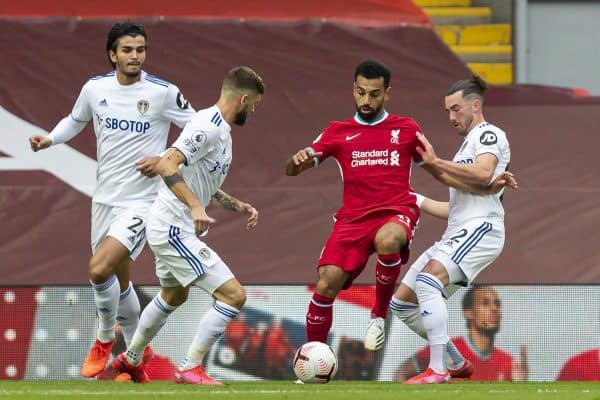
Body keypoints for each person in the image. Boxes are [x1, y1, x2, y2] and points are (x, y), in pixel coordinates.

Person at [28, 21, 196, 378]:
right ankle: (137, 349)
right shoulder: (95, 89)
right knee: (118, 283)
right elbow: (76, 120)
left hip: (142, 202)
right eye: (127, 50)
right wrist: (50, 140)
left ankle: (105, 338)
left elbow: (199, 131)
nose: (135, 56)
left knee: (98, 269)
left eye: (140, 50)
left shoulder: (162, 93)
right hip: (103, 199)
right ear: (112, 54)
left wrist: (166, 157)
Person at [110, 66, 264, 384]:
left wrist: (238, 206)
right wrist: (194, 206)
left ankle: (131, 358)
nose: (254, 110)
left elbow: (200, 182)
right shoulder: (207, 125)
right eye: (255, 104)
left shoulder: (221, 130)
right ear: (244, 98)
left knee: (174, 294)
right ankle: (190, 366)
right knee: (233, 296)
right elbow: (168, 163)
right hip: (172, 228)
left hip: (169, 225)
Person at [285, 59, 429, 351]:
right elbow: (293, 167)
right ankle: (314, 360)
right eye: (361, 92)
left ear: (387, 93)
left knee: (390, 239)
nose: (366, 100)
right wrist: (296, 162)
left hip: (395, 211)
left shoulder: (407, 128)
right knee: (326, 283)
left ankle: (378, 314)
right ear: (353, 89)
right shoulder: (337, 131)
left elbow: (436, 166)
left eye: (374, 94)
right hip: (352, 220)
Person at [390, 75, 514, 384]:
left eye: (455, 109)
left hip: (482, 229)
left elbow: (484, 173)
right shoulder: (464, 148)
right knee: (403, 303)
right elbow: (454, 207)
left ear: (475, 105)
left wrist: (436, 162)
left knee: (429, 281)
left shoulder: (489, 135)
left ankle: (438, 371)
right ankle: (455, 362)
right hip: (461, 229)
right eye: (447, 110)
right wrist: (414, 198)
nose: (451, 117)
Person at [396, 285, 528, 382]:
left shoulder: (508, 363)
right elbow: (402, 374)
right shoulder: (447, 350)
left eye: (497, 304)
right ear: (468, 312)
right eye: (485, 303)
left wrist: (520, 386)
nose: (494, 309)